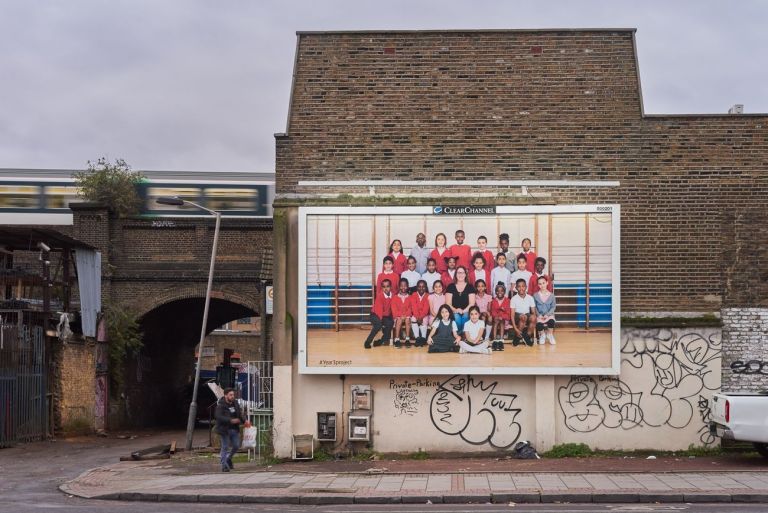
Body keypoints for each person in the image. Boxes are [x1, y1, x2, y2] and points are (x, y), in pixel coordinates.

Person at [214, 387, 245, 472]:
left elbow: (239, 414)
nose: (232, 396)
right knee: (225, 446)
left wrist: (245, 421)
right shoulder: (221, 405)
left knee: (236, 446)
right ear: (225, 395)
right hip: (224, 430)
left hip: (234, 429)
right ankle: (224, 466)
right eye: (230, 395)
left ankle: (228, 458)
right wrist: (230, 420)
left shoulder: (235, 403)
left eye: (233, 395)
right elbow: (218, 416)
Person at [445, 266, 476, 333]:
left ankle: (462, 334)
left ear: (465, 274)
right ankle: (460, 334)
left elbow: (472, 303)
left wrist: (463, 311)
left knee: (465, 316)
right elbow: (448, 303)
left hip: (467, 310)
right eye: (458, 273)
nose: (460, 275)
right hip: (454, 311)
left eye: (462, 273)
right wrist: (456, 310)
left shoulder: (470, 287)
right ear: (456, 274)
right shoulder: (451, 286)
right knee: (456, 317)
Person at [364, 279, 393, 348]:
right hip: (375, 314)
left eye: (387, 286)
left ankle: (380, 341)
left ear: (391, 287)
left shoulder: (393, 296)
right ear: (382, 288)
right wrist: (382, 323)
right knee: (378, 325)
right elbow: (379, 311)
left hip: (385, 315)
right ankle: (368, 342)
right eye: (384, 287)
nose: (386, 288)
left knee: (390, 323)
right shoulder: (380, 296)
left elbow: (393, 309)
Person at [511, 278, 536, 347]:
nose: (521, 288)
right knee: (523, 316)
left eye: (523, 286)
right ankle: (517, 337)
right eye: (519, 286)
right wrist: (515, 329)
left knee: (533, 317)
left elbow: (533, 312)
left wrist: (533, 319)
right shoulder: (514, 299)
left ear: (526, 287)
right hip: (517, 316)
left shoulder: (530, 298)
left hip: (526, 315)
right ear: (516, 288)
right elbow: (512, 315)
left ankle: (527, 337)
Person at [534, 275, 557, 345]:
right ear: (538, 285)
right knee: (539, 325)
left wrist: (548, 314)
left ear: (547, 283)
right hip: (540, 315)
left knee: (551, 322)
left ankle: (550, 335)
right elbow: (534, 307)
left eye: (543, 283)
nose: (542, 285)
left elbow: (553, 307)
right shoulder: (535, 295)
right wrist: (539, 315)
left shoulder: (552, 295)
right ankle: (542, 335)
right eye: (540, 284)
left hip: (549, 315)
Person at [391, 278, 413, 348]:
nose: (403, 287)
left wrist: (406, 315)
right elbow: (394, 309)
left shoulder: (410, 297)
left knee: (407, 319)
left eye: (405, 285)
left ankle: (407, 339)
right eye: (401, 285)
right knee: (399, 320)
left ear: (408, 286)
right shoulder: (395, 297)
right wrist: (400, 315)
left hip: (407, 316)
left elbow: (411, 308)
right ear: (399, 286)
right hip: (398, 317)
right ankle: (397, 339)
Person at [409, 280, 430, 347]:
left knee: (425, 320)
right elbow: (414, 307)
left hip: (424, 315)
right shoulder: (414, 295)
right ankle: (417, 338)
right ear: (417, 287)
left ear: (426, 287)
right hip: (416, 314)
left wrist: (421, 317)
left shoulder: (427, 296)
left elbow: (426, 308)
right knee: (413, 319)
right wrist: (418, 317)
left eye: (423, 287)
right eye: (419, 286)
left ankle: (423, 338)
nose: (421, 288)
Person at [489, 283, 510, 351]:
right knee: (496, 320)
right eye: (498, 291)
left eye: (502, 291)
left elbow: (508, 313)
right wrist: (497, 316)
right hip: (496, 319)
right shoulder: (494, 301)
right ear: (495, 292)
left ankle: (501, 340)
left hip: (505, 320)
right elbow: (493, 311)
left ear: (504, 292)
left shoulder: (507, 300)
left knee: (502, 321)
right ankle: (495, 340)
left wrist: (502, 316)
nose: (500, 292)